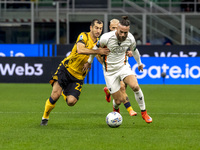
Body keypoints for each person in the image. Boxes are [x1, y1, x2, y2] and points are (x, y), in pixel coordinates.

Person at [40, 19, 110, 126]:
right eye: (96, 28)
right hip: (66, 69)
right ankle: (45, 118)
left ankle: (65, 91)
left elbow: (100, 59)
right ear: (91, 28)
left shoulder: (99, 43)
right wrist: (97, 51)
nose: (98, 31)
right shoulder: (83, 36)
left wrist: (105, 60)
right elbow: (80, 49)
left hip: (79, 76)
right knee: (55, 95)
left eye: (100, 28)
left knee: (71, 102)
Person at [97, 16, 152, 123]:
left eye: (125, 32)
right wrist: (90, 62)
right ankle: (115, 108)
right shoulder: (106, 38)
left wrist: (139, 63)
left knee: (135, 86)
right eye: (120, 31)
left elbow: (134, 50)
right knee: (118, 100)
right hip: (110, 71)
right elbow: (96, 49)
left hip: (123, 67)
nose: (122, 34)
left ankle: (144, 113)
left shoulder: (130, 38)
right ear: (116, 28)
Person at [103, 19, 137, 117]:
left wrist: (129, 52)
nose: (116, 30)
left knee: (122, 90)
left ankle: (110, 93)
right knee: (122, 89)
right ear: (110, 28)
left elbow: (126, 48)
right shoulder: (106, 38)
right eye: (113, 27)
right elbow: (98, 54)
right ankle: (129, 109)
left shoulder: (124, 37)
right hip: (111, 69)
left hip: (123, 66)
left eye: (116, 27)